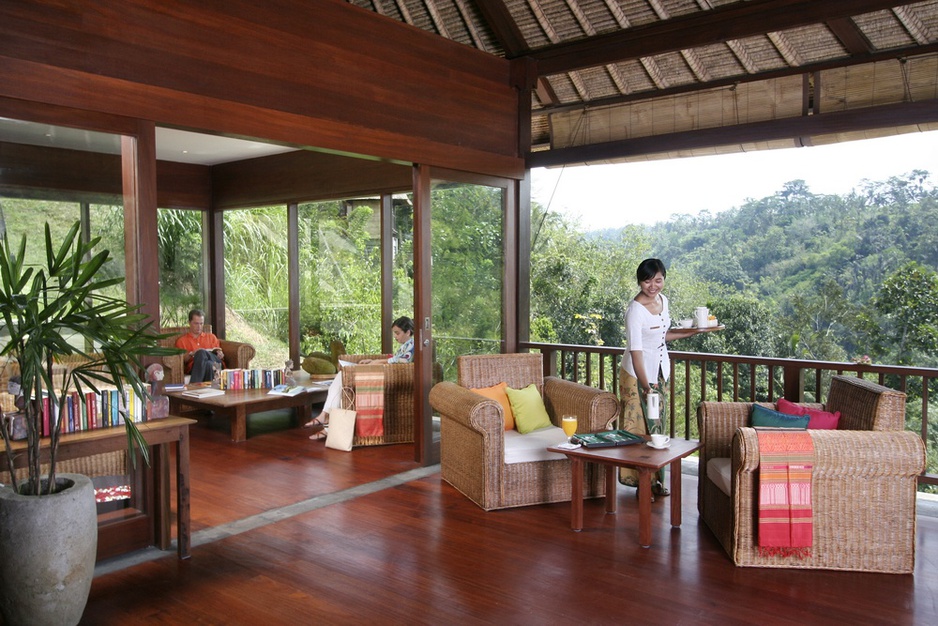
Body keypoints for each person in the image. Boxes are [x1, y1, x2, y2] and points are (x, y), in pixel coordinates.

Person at [619, 259, 700, 499]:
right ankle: (639, 484)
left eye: (658, 280)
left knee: (657, 428)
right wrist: (646, 387)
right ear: (639, 281)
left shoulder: (664, 301)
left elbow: (664, 336)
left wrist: (693, 331)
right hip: (637, 375)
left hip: (660, 371)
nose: (652, 286)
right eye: (647, 280)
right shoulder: (635, 310)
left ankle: (655, 481)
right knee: (638, 428)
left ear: (664, 278)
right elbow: (636, 351)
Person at [307, 316, 415, 439]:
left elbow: (402, 361)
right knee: (342, 378)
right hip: (385, 373)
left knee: (343, 378)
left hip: (390, 377)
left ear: (408, 332)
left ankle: (326, 418)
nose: (395, 336)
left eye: (397, 333)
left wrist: (377, 362)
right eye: (394, 333)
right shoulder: (406, 345)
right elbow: (393, 358)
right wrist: (374, 360)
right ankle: (326, 419)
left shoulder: (413, 343)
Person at [175, 309, 224, 384]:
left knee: (202, 353)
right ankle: (210, 392)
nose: (199, 326)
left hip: (216, 363)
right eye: (196, 323)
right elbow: (182, 360)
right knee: (207, 363)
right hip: (195, 367)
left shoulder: (211, 337)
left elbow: (218, 354)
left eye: (201, 324)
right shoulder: (182, 341)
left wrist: (220, 354)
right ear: (189, 323)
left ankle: (193, 387)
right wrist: (192, 353)